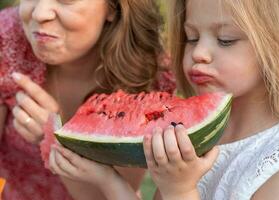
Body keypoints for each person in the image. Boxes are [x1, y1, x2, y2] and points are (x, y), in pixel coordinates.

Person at [50, 0, 279, 199]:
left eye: (225, 40)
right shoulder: (193, 135)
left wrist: (179, 192)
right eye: (191, 38)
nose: (199, 53)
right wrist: (108, 180)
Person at [0, 0, 175, 199]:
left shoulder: (150, 75)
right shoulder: (7, 39)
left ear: (112, 7)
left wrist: (53, 140)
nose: (40, 13)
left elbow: (106, 194)